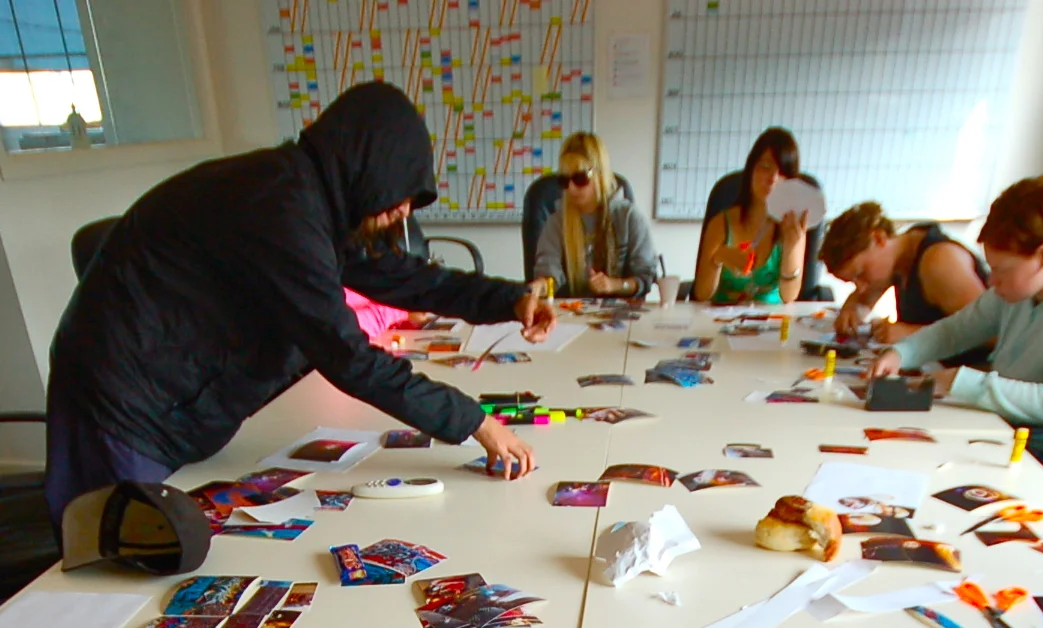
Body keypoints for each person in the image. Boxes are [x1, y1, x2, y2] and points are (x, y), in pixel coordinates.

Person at [45, 82, 556, 530]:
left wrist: (509, 299)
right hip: (122, 405)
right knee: (116, 559)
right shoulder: (281, 208)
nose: (403, 212)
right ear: (368, 167)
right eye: (401, 194)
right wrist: (475, 422)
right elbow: (348, 356)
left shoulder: (313, 202)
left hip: (170, 400)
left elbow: (402, 276)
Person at [870, 175, 1043, 504]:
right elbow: (958, 330)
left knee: (916, 487)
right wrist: (901, 353)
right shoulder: (1023, 284)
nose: (992, 280)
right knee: (890, 459)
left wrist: (957, 381)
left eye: (1001, 269)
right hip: (999, 426)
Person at [824, 202, 990, 366]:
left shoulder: (940, 262)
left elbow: (990, 333)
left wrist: (911, 333)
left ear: (879, 238)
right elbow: (864, 298)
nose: (861, 288)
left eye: (860, 274)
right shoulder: (900, 253)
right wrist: (853, 307)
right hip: (932, 366)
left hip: (971, 371)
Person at [533, 132, 657, 298]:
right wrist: (537, 287)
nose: (571, 188)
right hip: (571, 310)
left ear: (600, 175)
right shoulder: (557, 222)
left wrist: (615, 285)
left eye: (580, 178)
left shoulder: (629, 217)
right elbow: (548, 274)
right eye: (564, 180)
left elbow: (645, 277)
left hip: (621, 310)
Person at [693, 127, 809, 304]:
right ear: (751, 170)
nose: (773, 178)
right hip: (722, 317)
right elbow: (702, 294)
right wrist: (719, 257)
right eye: (765, 167)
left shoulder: (792, 226)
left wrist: (791, 247)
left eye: (783, 172)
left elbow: (789, 296)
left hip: (771, 318)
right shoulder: (721, 223)